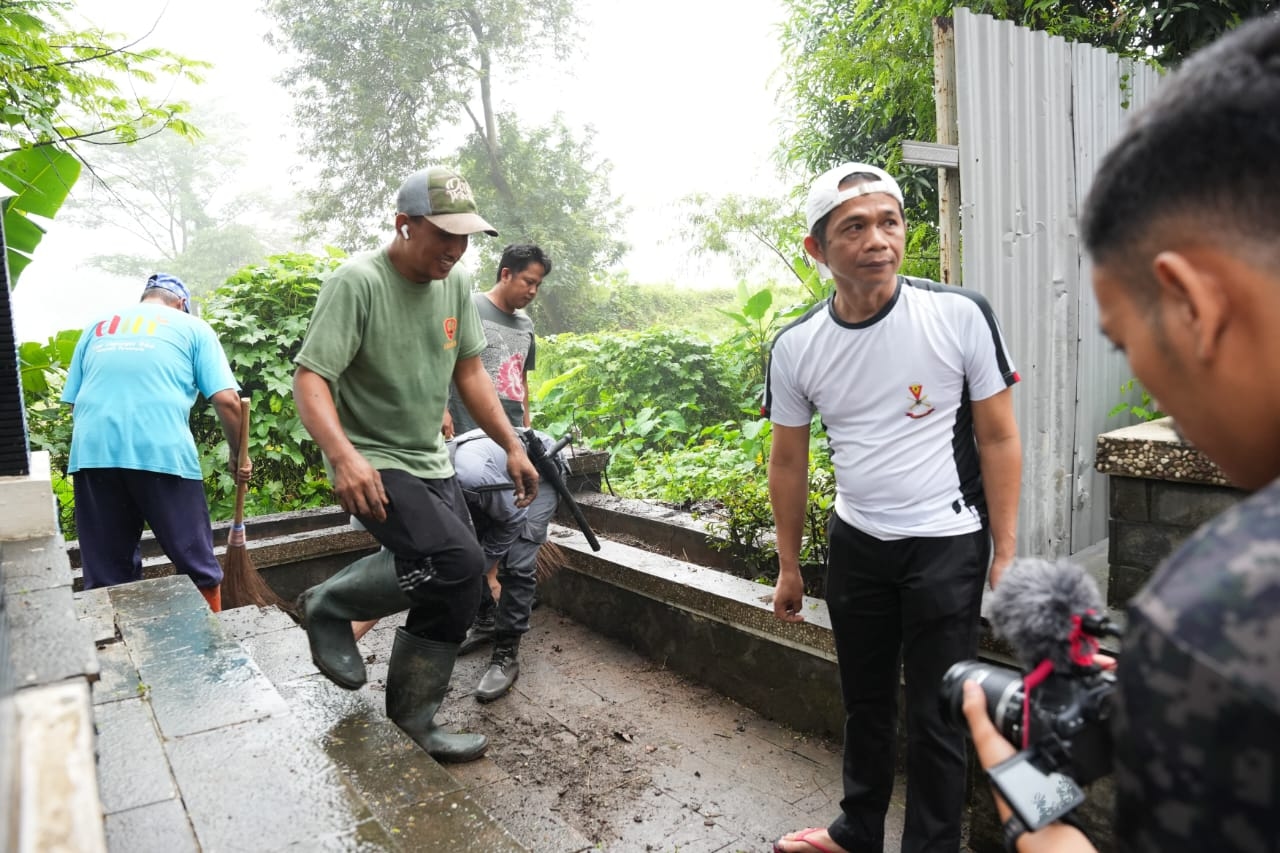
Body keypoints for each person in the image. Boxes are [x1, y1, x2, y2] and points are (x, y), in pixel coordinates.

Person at [963, 14, 1280, 853]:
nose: (1145, 380)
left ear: (1192, 305)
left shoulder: (1221, 623)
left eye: (1123, 342)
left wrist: (1026, 799)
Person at [767, 164, 1023, 853]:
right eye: (855, 226)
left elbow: (998, 434)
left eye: (890, 222)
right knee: (865, 701)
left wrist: (1005, 549)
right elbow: (789, 459)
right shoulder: (796, 346)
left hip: (946, 540)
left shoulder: (957, 314)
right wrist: (789, 565)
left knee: (939, 712)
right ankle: (857, 829)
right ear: (816, 248)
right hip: (857, 542)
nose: (879, 239)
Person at [292, 165, 538, 764]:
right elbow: (311, 378)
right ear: (403, 225)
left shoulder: (454, 285)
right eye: (442, 235)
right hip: (372, 459)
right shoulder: (357, 283)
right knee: (453, 560)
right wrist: (343, 456)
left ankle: (413, 717)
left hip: (430, 458)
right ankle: (328, 605)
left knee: (455, 583)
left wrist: (511, 444)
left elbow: (470, 372)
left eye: (464, 238)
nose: (455, 250)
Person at [61, 273, 251, 612]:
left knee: (107, 575)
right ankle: (211, 646)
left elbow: (75, 403)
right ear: (181, 304)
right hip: (161, 452)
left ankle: (118, 652)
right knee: (197, 567)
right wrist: (238, 455)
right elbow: (227, 401)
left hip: (92, 453)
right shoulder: (192, 327)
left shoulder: (97, 326)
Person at [447, 243, 557, 703]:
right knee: (467, 538)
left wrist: (526, 430)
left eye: (538, 284)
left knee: (516, 552)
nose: (532, 291)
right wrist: (440, 411)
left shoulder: (526, 325)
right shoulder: (469, 306)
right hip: (467, 438)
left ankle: (505, 648)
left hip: (512, 445)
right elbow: (445, 362)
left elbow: (520, 380)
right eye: (528, 281)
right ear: (506, 273)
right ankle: (485, 619)